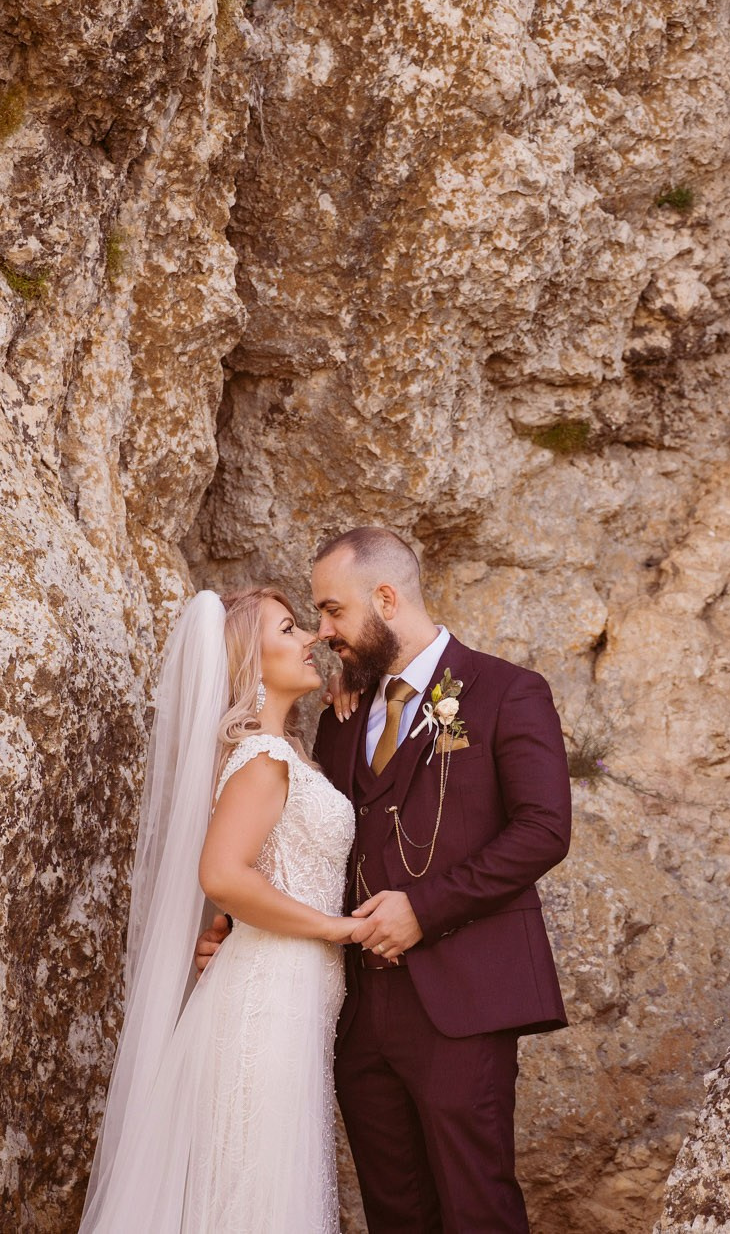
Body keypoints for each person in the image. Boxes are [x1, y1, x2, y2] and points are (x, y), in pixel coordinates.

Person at [195, 526, 573, 1233]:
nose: (324, 631)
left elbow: (544, 829)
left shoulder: (506, 691)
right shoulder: (340, 718)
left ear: (387, 597)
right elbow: (301, 843)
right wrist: (234, 928)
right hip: (358, 1017)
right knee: (395, 1215)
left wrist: (424, 909)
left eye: (333, 611)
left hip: (463, 1004)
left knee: (476, 1207)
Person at [79, 586, 364, 1233]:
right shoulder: (261, 760)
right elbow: (222, 873)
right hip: (265, 1003)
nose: (310, 637)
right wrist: (336, 928)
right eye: (290, 628)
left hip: (293, 997)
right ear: (249, 662)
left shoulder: (283, 755)